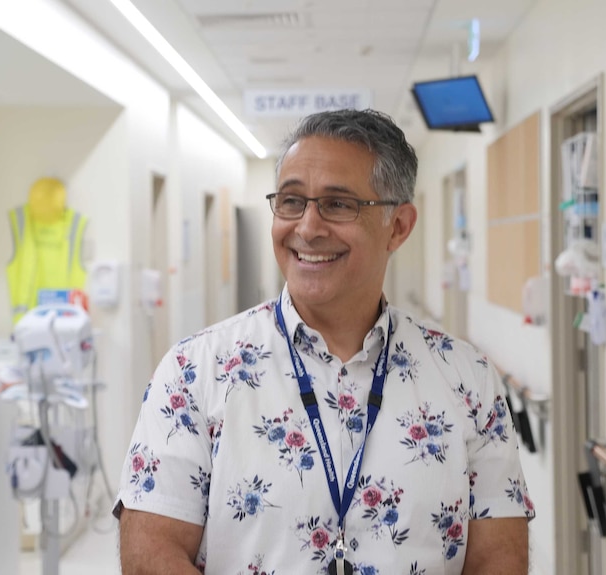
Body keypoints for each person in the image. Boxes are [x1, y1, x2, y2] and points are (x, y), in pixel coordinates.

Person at [114, 109, 534, 574]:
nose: (308, 227)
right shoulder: (194, 372)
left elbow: (500, 556)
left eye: (338, 204)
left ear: (398, 226)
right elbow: (150, 554)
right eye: (292, 201)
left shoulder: (467, 379)